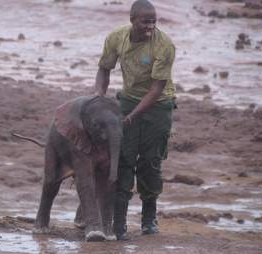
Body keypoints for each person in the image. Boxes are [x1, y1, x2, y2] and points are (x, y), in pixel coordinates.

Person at [94, 0, 176, 240]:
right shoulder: (115, 38)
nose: (150, 26)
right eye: (145, 22)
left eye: (153, 22)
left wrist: (131, 117)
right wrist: (98, 95)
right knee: (123, 160)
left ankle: (149, 219)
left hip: (159, 105)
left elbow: (156, 89)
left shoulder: (165, 45)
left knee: (151, 162)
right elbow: (104, 68)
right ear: (132, 20)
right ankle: (118, 224)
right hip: (128, 100)